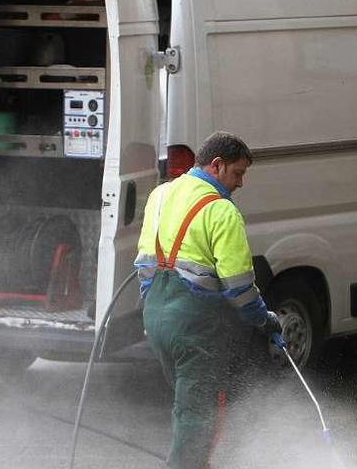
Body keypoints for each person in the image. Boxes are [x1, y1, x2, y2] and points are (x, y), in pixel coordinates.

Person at [134, 131, 283, 469]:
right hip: (195, 329)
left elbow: (143, 264)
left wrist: (160, 306)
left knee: (186, 405)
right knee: (199, 414)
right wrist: (265, 320)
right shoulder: (222, 212)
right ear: (217, 166)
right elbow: (239, 288)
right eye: (238, 173)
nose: (241, 183)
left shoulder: (160, 195)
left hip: (156, 319)